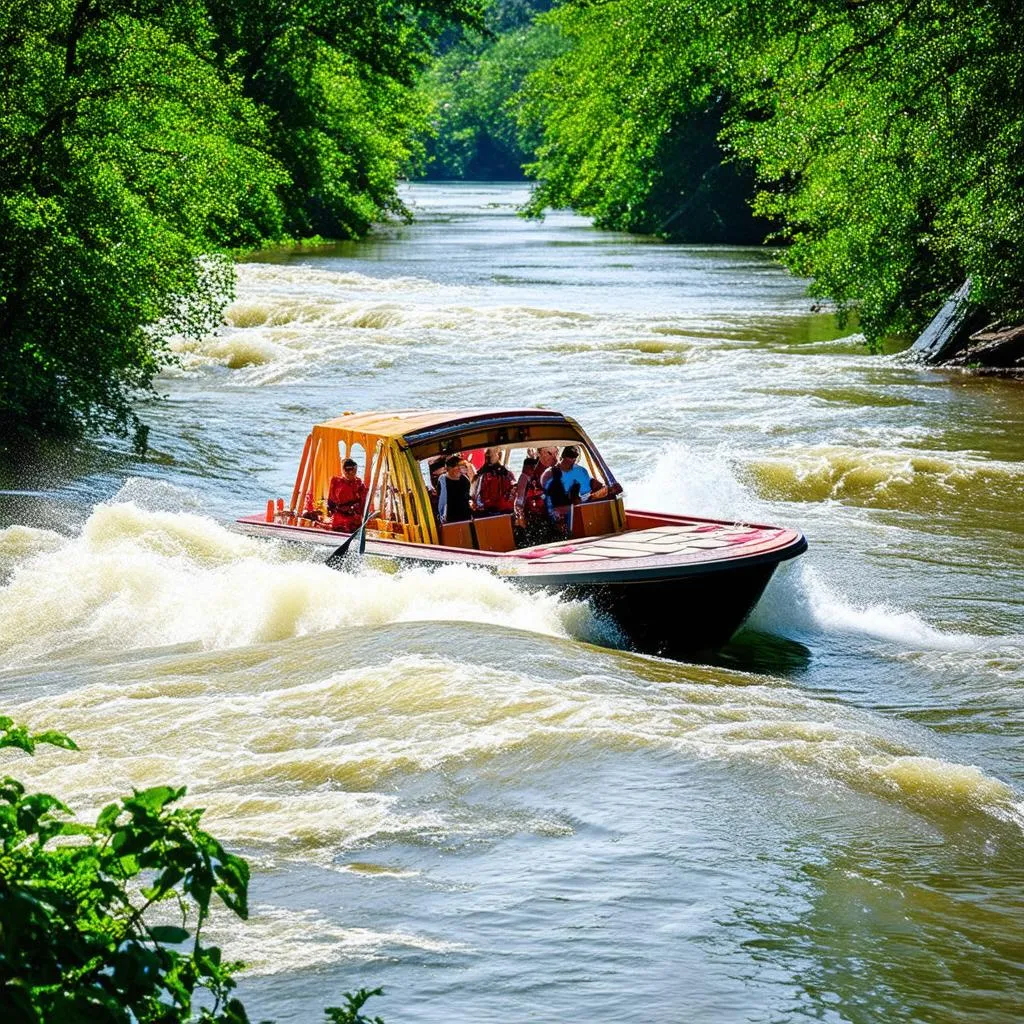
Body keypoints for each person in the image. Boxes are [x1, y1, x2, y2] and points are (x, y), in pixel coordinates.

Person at [327, 458, 367, 532]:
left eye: (354, 471)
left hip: (353, 517)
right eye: (348, 471)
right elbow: (330, 501)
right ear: (344, 471)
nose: (352, 474)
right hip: (338, 516)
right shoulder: (336, 481)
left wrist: (359, 514)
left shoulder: (359, 484)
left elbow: (363, 504)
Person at [472, 448, 515, 516]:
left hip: (502, 509)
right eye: (489, 455)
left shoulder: (506, 473)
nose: (490, 457)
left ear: (498, 455)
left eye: (492, 454)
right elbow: (475, 494)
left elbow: (512, 490)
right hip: (487, 510)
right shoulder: (481, 475)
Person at [437, 454, 472, 524]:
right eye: (457, 467)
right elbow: (440, 498)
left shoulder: (464, 479)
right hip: (450, 518)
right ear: (449, 468)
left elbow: (468, 496)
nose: (460, 470)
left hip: (465, 516)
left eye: (460, 467)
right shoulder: (442, 480)